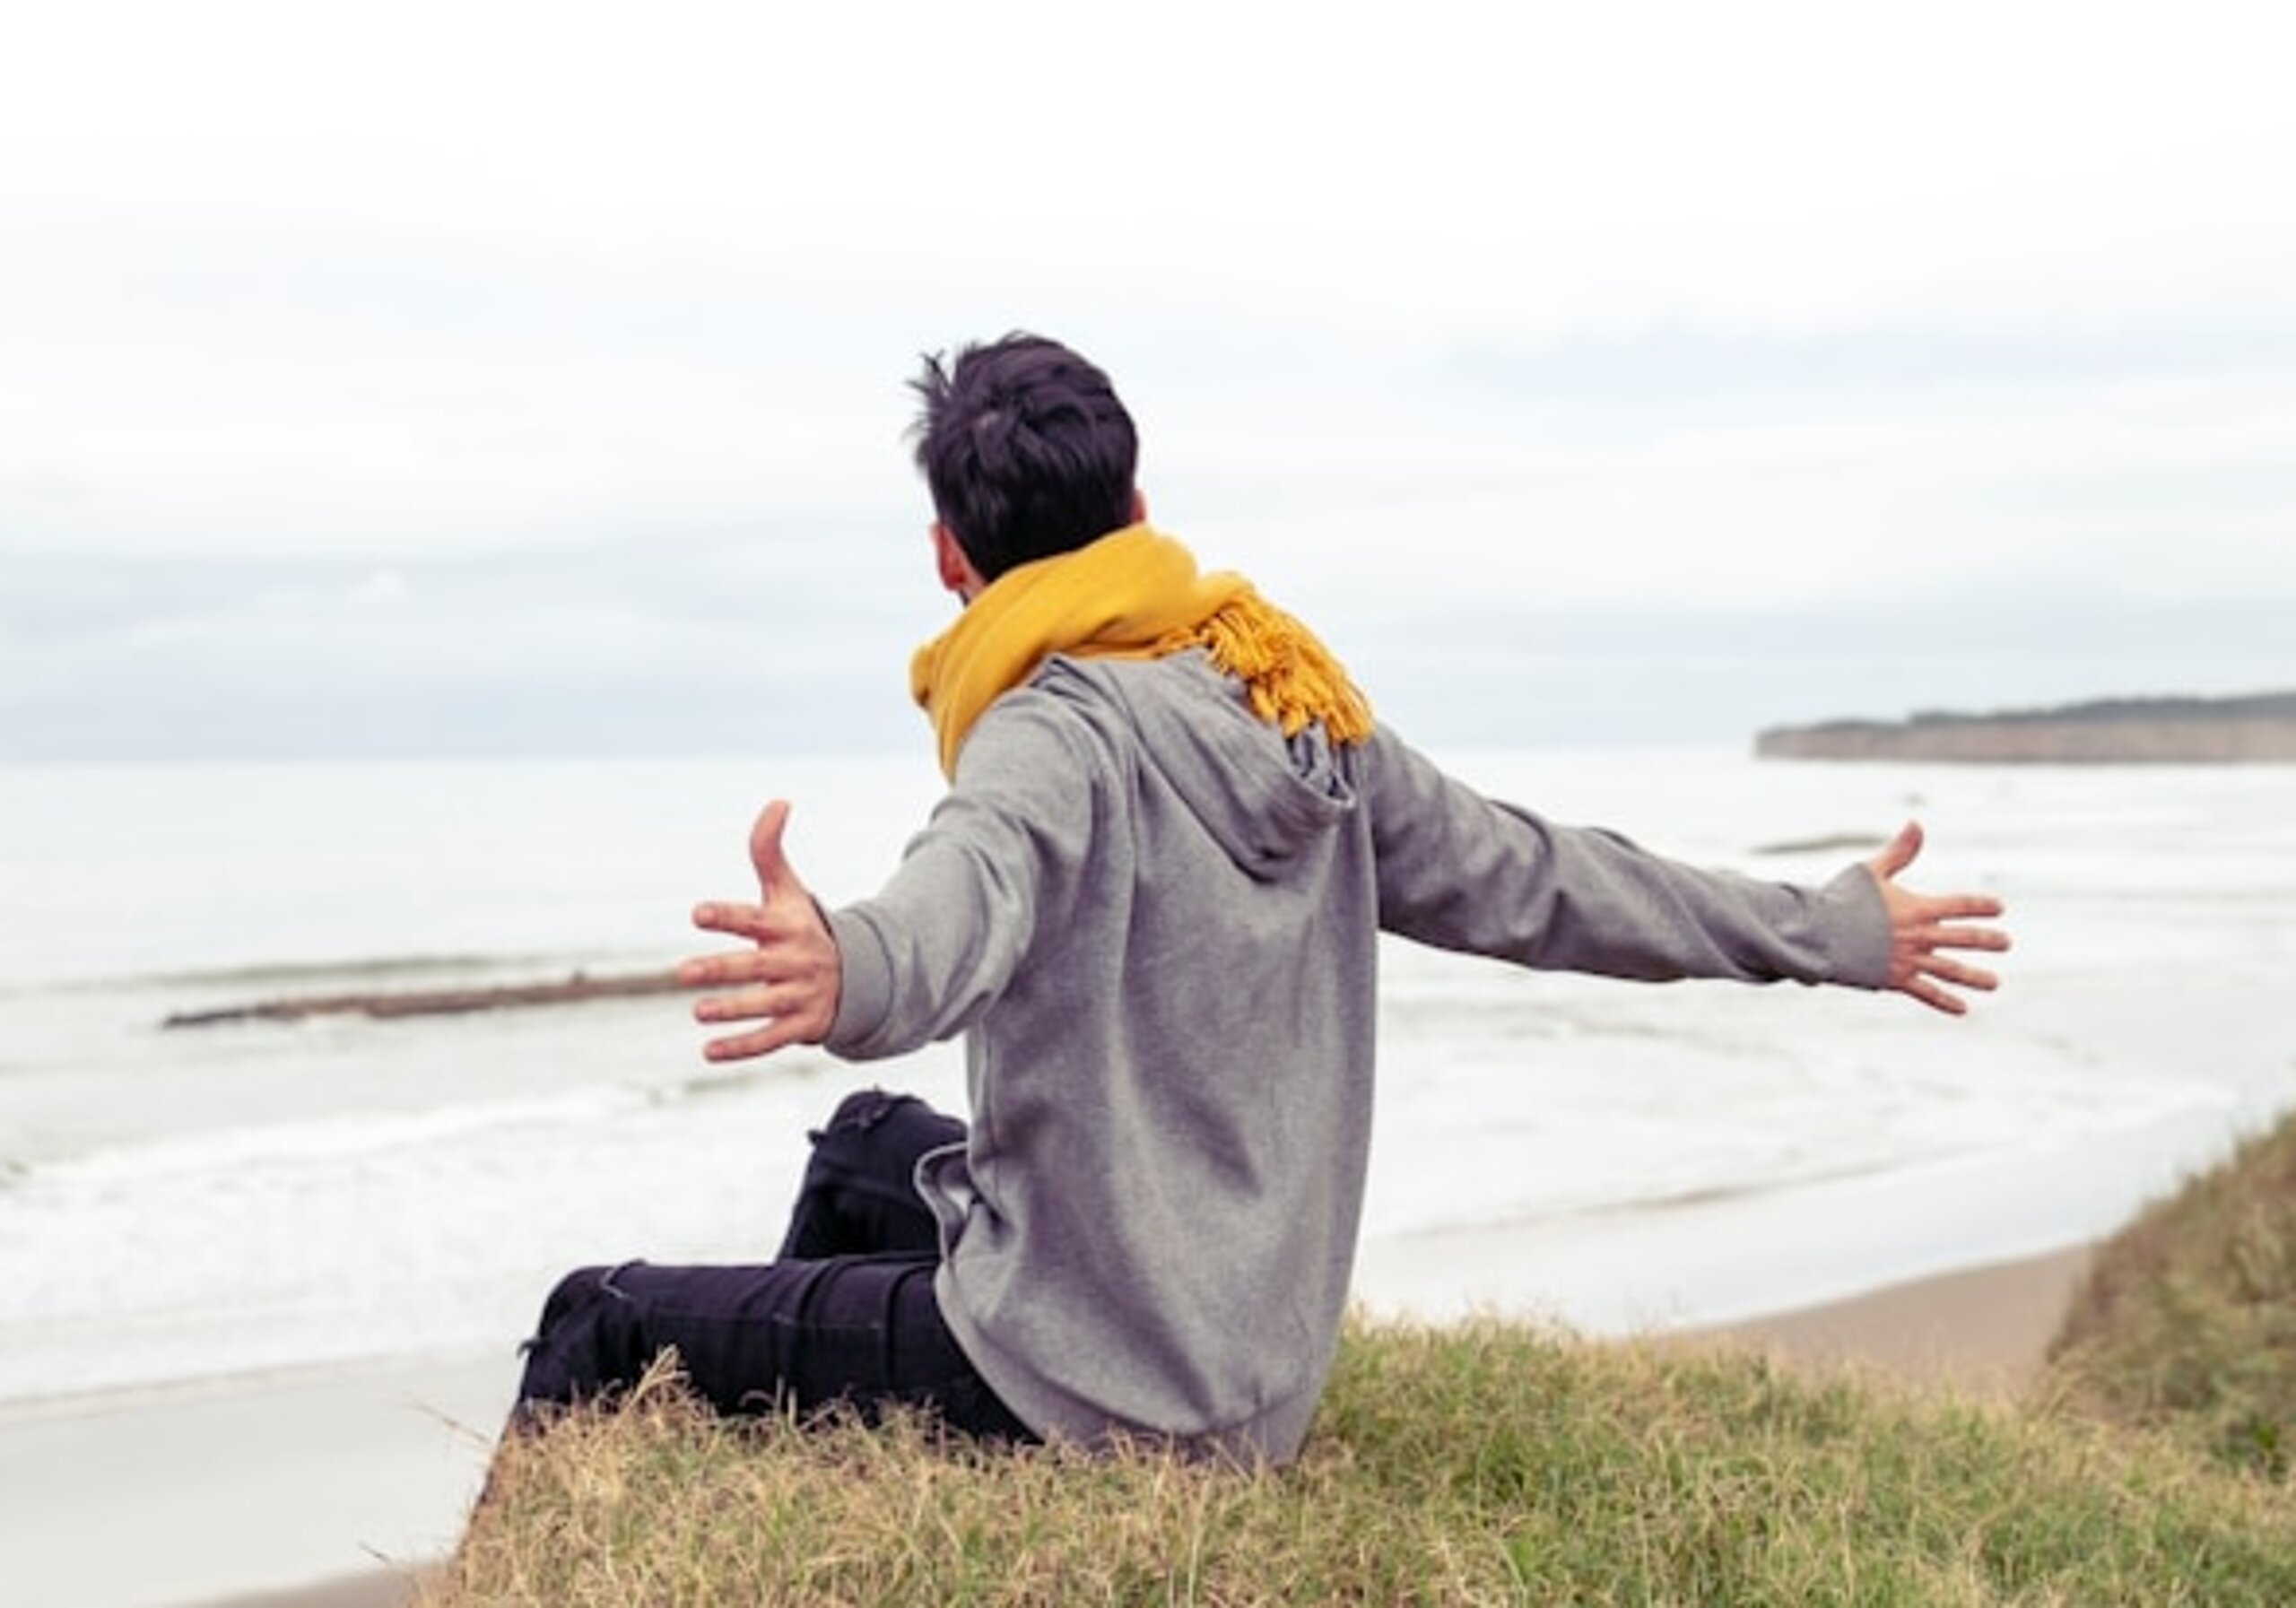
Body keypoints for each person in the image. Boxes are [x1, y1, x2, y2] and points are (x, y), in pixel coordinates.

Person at [510, 333, 2010, 1464]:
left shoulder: (1051, 727)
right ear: (1140, 506)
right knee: (861, 1150)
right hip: (1253, 1368)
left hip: (1093, 1386)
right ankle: (827, 1477)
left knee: (601, 1318)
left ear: (948, 558)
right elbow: (1543, 876)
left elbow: (963, 890)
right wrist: (1829, 931)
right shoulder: (1289, 697)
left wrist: (856, 965)